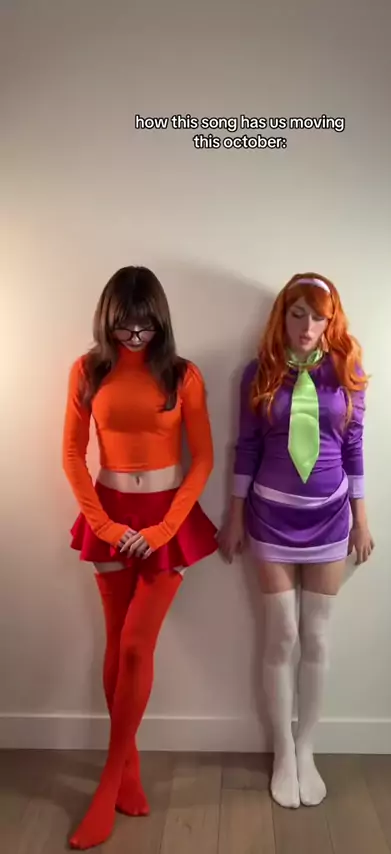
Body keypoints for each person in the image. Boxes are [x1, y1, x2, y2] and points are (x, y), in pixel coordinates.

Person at [62, 265, 217, 849]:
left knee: (134, 646)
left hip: (165, 521)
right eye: (124, 324)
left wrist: (164, 528)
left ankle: (110, 779)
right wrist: (103, 524)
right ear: (108, 318)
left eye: (145, 324)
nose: (134, 334)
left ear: (160, 319)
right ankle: (128, 767)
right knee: (115, 644)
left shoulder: (182, 375)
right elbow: (72, 455)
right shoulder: (87, 371)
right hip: (108, 515)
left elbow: (202, 459)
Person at [219, 272, 374, 810]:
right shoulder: (257, 372)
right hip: (270, 518)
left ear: (332, 322)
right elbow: (246, 448)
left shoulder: (347, 372)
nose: (307, 327)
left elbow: (354, 447)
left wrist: (361, 519)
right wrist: (234, 515)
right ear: (282, 316)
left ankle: (307, 748)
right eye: (297, 314)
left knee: (318, 637)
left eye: (318, 317)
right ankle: (282, 749)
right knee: (282, 635)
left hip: (330, 518)